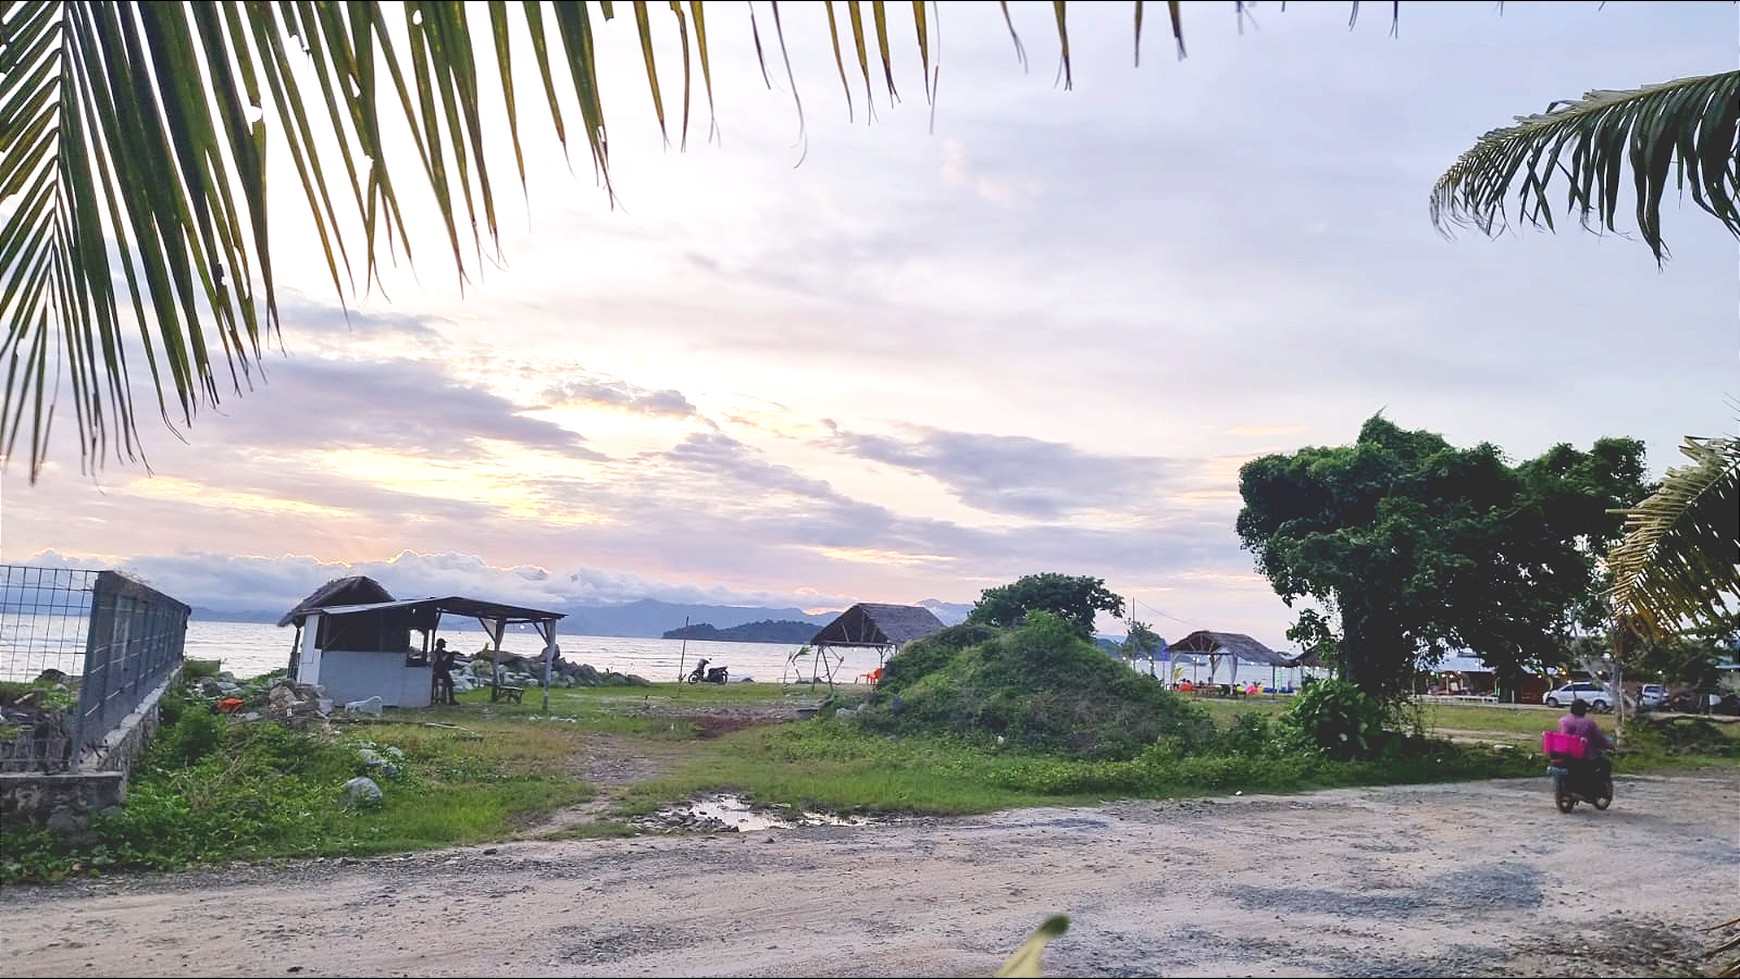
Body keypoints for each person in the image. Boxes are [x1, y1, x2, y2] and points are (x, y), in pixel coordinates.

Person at [1557, 698, 1614, 782]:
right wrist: (1610, 746)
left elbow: (1561, 736)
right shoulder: (1589, 723)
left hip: (1567, 756)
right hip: (1586, 757)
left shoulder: (1563, 721)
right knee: (1606, 764)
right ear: (1583, 710)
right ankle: (1601, 787)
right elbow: (1599, 738)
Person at [431, 638, 456, 706]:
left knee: (449, 681)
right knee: (450, 682)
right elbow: (441, 660)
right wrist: (449, 655)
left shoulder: (441, 651)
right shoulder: (438, 652)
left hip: (441, 671)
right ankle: (451, 700)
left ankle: (451, 700)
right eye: (444, 643)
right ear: (441, 644)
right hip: (439, 671)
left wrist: (451, 653)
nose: (445, 644)